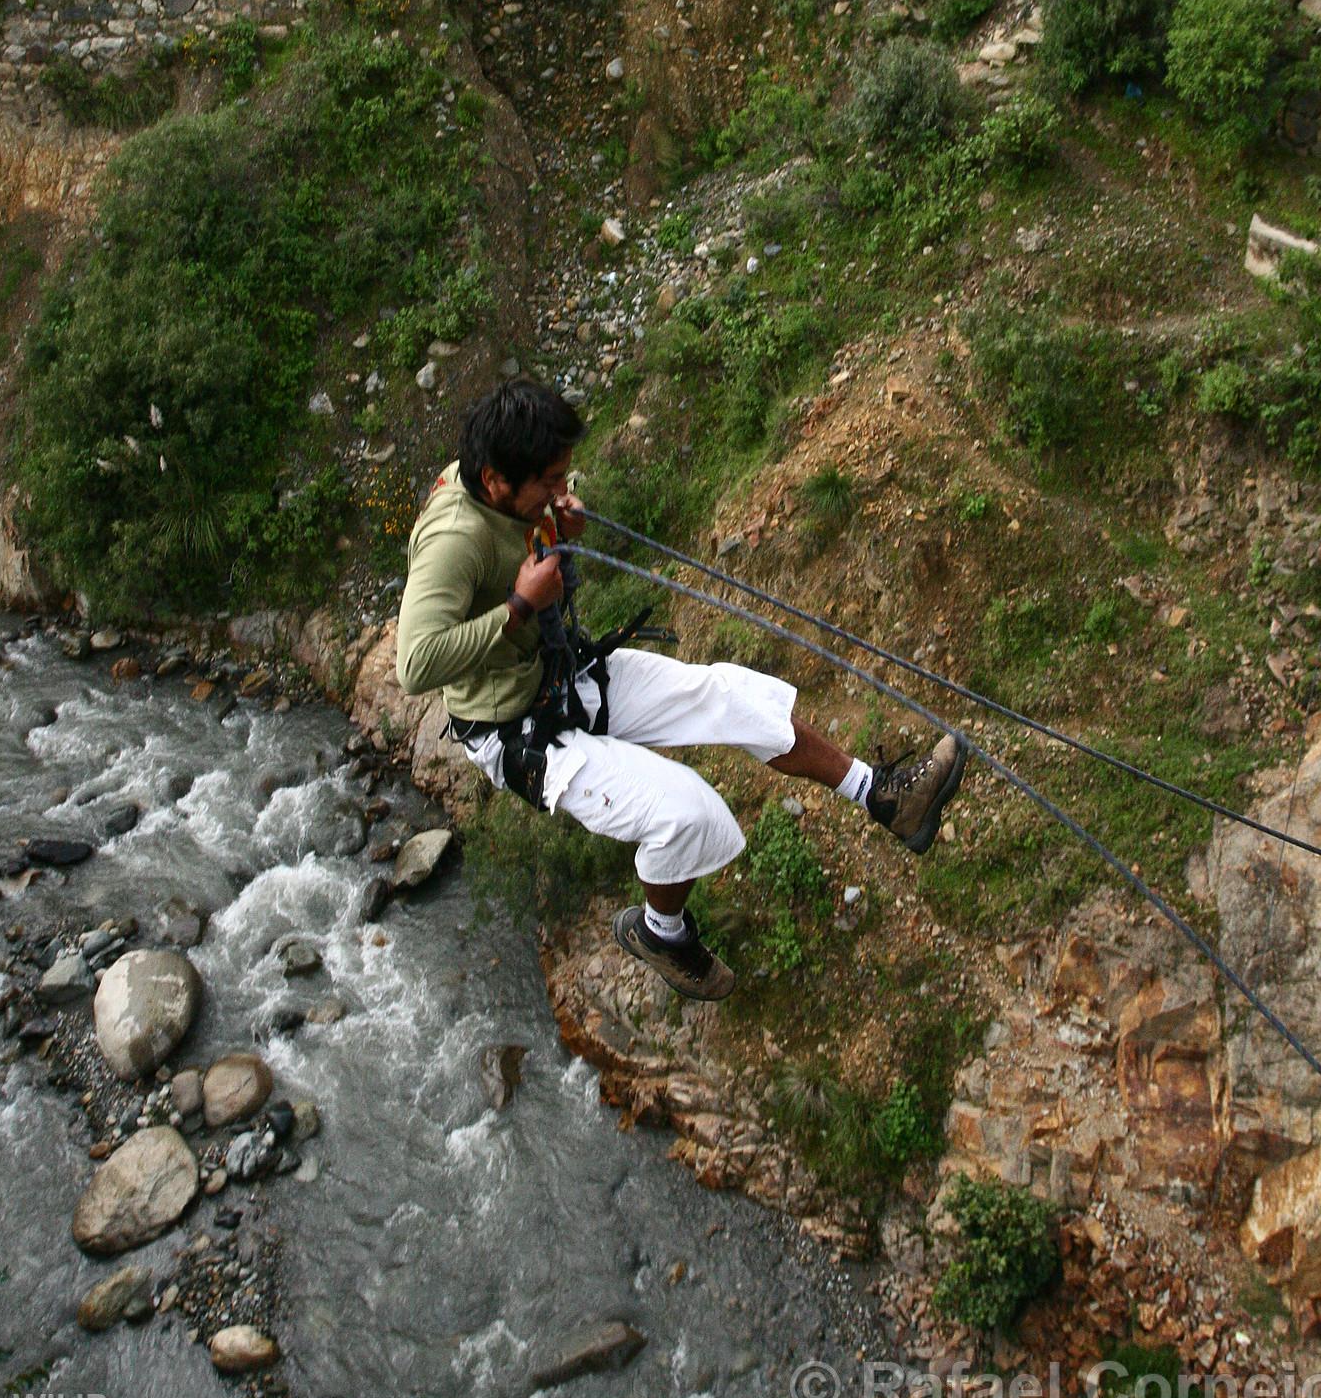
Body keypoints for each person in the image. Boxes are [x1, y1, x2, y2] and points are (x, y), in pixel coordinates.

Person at [395, 381, 970, 1003]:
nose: (562, 491)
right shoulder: (453, 541)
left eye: (565, 476)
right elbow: (415, 665)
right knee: (689, 815)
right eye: (551, 482)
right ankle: (660, 932)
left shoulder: (501, 485)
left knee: (729, 698)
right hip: (515, 730)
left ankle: (880, 797)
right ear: (496, 480)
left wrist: (559, 524)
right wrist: (518, 605)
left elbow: (532, 537)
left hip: (559, 676)